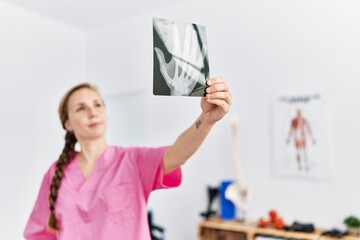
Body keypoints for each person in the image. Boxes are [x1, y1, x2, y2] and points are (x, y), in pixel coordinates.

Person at [23, 77, 232, 239]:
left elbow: (177, 154)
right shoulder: (56, 173)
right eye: (81, 108)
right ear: (68, 123)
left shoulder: (132, 161)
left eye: (97, 105)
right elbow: (39, 235)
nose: (93, 112)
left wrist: (205, 121)